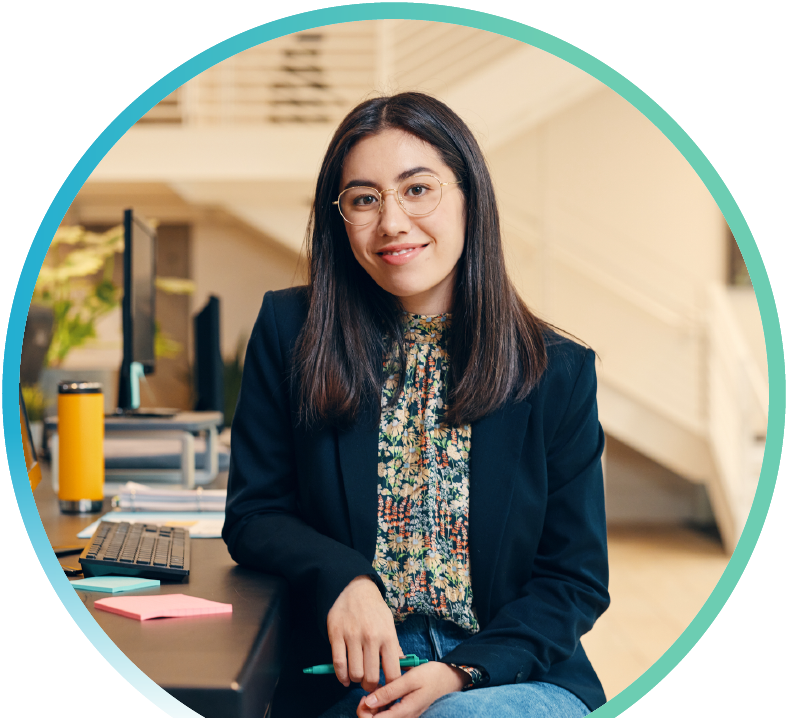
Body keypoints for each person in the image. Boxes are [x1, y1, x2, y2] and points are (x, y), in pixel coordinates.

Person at [222, 92, 609, 718]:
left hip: (507, 670)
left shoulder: (555, 370)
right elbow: (255, 513)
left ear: (470, 198)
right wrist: (345, 577)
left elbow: (574, 580)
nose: (393, 222)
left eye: (417, 189)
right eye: (364, 199)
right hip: (348, 671)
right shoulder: (292, 331)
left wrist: (463, 671)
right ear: (339, 217)